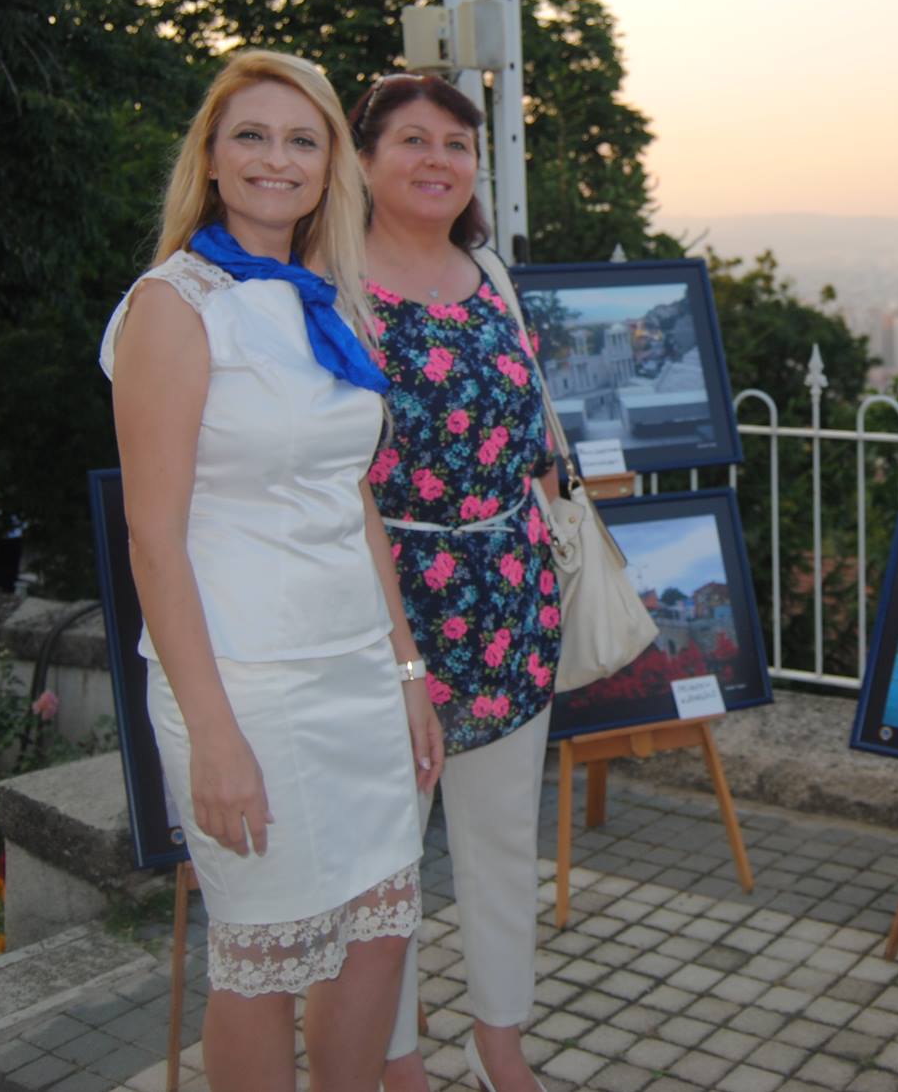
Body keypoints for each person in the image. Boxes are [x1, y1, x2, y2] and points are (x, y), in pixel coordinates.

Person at [102, 50, 440, 1092]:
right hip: (244, 684)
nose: (276, 159)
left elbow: (352, 495)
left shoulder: (326, 299)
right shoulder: (175, 305)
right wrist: (212, 735)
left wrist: (405, 670)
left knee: (378, 932)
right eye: (251, 134)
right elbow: (152, 539)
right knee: (264, 959)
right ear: (209, 156)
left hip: (356, 671)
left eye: (303, 139)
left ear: (330, 164)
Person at [348, 71, 560, 1092]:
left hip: (510, 599)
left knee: (503, 840)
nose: (438, 160)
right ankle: (395, 1059)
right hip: (385, 606)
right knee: (385, 856)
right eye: (413, 140)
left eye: (456, 144)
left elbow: (532, 426)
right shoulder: (329, 285)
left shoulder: (490, 272)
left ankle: (498, 1045)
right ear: (364, 160)